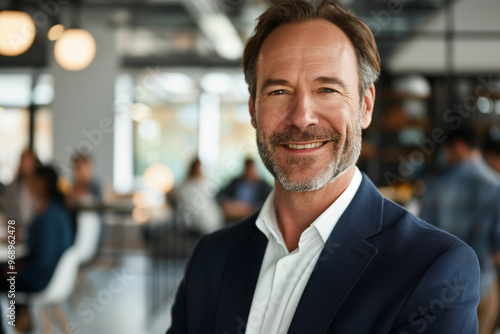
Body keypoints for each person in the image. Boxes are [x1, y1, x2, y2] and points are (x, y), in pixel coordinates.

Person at [167, 1, 480, 333]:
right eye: (278, 90)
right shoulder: (211, 258)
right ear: (253, 110)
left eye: (327, 89)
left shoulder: (433, 269)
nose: (302, 116)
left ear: (365, 105)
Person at [420, 126, 500, 334]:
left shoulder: (434, 186)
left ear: (458, 146)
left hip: (441, 291)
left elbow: (423, 240)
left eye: (446, 150)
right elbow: (497, 252)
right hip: (482, 286)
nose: (445, 156)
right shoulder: (496, 185)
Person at [169, 158, 224, 234]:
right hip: (200, 227)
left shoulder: (203, 185)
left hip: (211, 226)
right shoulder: (187, 189)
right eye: (199, 169)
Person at [0, 149, 40, 241]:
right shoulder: (11, 188)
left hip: (38, 235)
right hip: (18, 236)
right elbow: (9, 214)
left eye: (29, 162)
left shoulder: (41, 187)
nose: (26, 165)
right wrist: (12, 234)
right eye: (24, 161)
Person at [217, 158, 272, 222]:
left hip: (252, 217)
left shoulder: (263, 186)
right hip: (233, 216)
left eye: (251, 169)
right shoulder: (236, 182)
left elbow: (269, 201)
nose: (249, 171)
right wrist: (228, 203)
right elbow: (220, 195)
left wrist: (251, 207)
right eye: (247, 169)